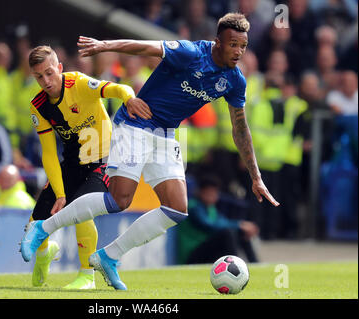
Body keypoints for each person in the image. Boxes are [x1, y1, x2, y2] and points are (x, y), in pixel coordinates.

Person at [21, 13, 279, 290]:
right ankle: (43, 228)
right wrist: (104, 45)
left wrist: (256, 176)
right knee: (120, 200)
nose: (239, 52)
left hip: (166, 134)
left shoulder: (235, 80)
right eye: (233, 45)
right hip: (136, 123)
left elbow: (240, 128)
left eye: (243, 45)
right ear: (218, 42)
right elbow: (146, 46)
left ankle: (109, 256)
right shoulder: (191, 53)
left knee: (177, 209)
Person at [24, 45, 149, 289]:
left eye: (50, 73)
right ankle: (44, 255)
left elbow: (117, 88)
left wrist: (129, 98)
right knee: (35, 223)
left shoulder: (79, 83)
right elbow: (49, 154)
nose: (46, 81)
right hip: (72, 163)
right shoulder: (38, 106)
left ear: (60, 68)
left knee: (83, 209)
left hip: (102, 160)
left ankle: (86, 276)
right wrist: (60, 194)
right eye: (39, 76)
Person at [177, 174, 259, 264]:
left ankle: (255, 263)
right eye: (208, 192)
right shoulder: (193, 207)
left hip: (207, 251)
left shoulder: (211, 208)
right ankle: (234, 266)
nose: (212, 195)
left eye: (214, 192)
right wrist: (239, 225)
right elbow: (209, 225)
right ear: (200, 191)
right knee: (227, 233)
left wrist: (241, 225)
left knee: (241, 232)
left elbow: (223, 221)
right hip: (193, 255)